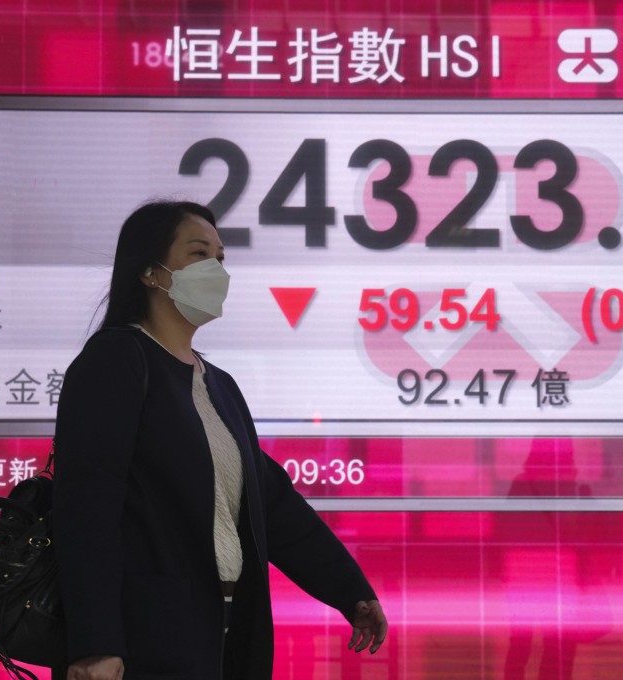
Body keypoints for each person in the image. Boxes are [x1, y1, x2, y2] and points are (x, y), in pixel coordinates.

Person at [51, 200, 387, 680]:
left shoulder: (220, 385)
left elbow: (273, 506)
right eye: (198, 253)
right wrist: (95, 643)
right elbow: (86, 509)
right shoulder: (116, 361)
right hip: (141, 640)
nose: (217, 269)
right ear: (151, 272)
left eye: (221, 257)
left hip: (225, 631)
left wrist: (350, 591)